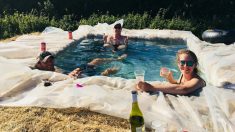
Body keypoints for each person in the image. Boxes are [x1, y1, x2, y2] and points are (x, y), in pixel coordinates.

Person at [136, 49, 206, 95]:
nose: (185, 66)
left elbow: (184, 89)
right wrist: (170, 78)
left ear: (195, 65)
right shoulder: (183, 74)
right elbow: (178, 85)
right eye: (182, 63)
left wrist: (151, 87)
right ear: (178, 64)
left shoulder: (197, 80)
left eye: (190, 63)